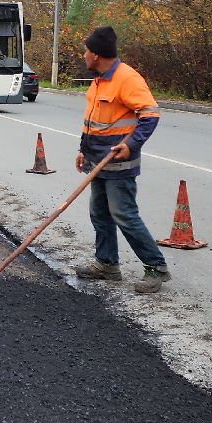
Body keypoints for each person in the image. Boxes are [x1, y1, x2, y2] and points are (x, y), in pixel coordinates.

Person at [73, 25, 171, 293]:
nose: (84, 55)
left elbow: (150, 115)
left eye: (86, 51)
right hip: (97, 161)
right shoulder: (98, 80)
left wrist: (131, 144)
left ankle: (156, 267)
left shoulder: (127, 79)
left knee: (124, 215)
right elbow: (92, 122)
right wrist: (83, 149)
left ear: (95, 54)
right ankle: (107, 264)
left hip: (119, 163)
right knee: (99, 214)